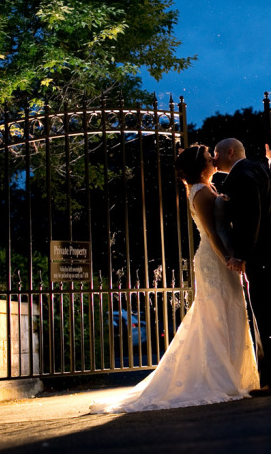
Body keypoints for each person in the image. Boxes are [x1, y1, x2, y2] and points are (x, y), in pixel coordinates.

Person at [89, 144, 259, 413]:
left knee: (228, 313)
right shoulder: (201, 191)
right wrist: (228, 258)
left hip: (219, 258)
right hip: (213, 260)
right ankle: (221, 378)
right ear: (200, 167)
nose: (213, 160)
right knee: (216, 316)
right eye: (208, 158)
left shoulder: (207, 188)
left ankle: (234, 373)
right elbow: (213, 232)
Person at [213, 138, 271, 396]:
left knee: (270, 317)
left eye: (216, 154)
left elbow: (251, 217)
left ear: (229, 152)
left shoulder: (241, 177)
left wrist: (241, 254)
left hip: (263, 256)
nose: (214, 159)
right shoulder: (259, 168)